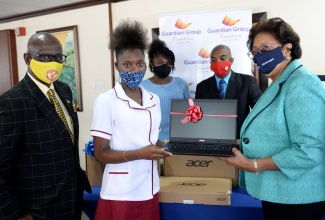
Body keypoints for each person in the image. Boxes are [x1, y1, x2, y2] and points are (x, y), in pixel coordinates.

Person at [218, 17, 325, 220]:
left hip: (297, 198)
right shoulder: (279, 82)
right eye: (255, 52)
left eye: (266, 48)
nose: (260, 56)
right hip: (281, 193)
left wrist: (254, 165)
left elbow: (309, 150)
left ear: (287, 48)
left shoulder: (301, 83)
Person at [0, 32, 91, 220]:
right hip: (37, 208)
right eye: (44, 56)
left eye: (58, 57)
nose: (53, 62)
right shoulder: (12, 102)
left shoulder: (64, 90)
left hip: (71, 199)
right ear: (27, 58)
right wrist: (16, 214)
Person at [90, 20, 172, 220]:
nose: (135, 70)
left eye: (139, 64)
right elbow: (101, 153)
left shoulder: (153, 99)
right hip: (122, 192)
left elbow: (151, 140)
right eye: (127, 64)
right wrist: (140, 154)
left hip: (150, 185)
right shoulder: (106, 101)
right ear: (117, 66)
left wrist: (166, 146)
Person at [195, 44, 262, 139]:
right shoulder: (202, 87)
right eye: (213, 60)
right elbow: (199, 117)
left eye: (222, 59)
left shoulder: (248, 82)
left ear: (231, 61)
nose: (218, 63)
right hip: (212, 139)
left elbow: (260, 112)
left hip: (240, 139)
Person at [141, 39, 190, 142]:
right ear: (152, 64)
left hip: (178, 138)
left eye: (168, 63)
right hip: (150, 140)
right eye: (160, 62)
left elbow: (190, 111)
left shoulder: (181, 84)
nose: (164, 66)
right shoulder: (142, 87)